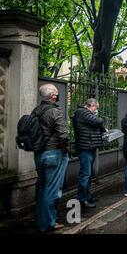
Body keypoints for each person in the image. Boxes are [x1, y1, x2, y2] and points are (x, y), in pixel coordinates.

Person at [34, 84, 69, 232]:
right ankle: (48, 223)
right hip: (54, 154)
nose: (58, 94)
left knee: (42, 188)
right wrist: (66, 150)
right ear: (53, 96)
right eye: (56, 92)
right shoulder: (55, 112)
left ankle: (41, 220)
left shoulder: (36, 111)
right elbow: (63, 135)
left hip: (39, 154)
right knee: (52, 190)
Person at [73, 98, 105, 209]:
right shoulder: (81, 112)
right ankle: (82, 199)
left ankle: (87, 196)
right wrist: (100, 119)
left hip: (90, 146)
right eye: (96, 108)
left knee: (88, 174)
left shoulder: (86, 114)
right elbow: (98, 122)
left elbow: (97, 126)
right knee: (85, 175)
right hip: (85, 147)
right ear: (91, 105)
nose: (96, 110)